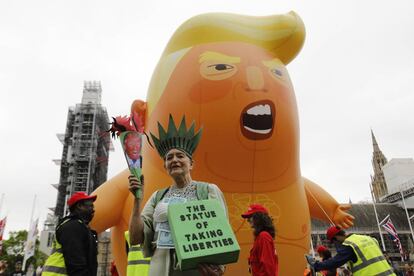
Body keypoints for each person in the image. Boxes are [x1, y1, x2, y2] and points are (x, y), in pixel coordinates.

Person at [128, 115, 227, 276]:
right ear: (165, 166)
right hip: (161, 270)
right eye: (169, 158)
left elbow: (221, 234)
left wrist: (219, 269)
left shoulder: (208, 191)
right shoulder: (157, 197)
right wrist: (137, 198)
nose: (174, 160)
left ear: (191, 163)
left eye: (180, 156)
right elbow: (134, 239)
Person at [42, 192, 98, 276]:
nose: (93, 210)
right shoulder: (73, 227)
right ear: (79, 206)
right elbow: (75, 262)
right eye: (90, 206)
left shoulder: (78, 226)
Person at [307, 226, 395, 275]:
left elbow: (335, 261)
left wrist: (316, 265)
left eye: (334, 241)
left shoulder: (348, 245)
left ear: (336, 237)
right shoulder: (368, 238)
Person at [241, 204, 278, 276]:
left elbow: (268, 267)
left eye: (250, 216)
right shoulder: (261, 237)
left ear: (259, 217)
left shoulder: (263, 237)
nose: (248, 220)